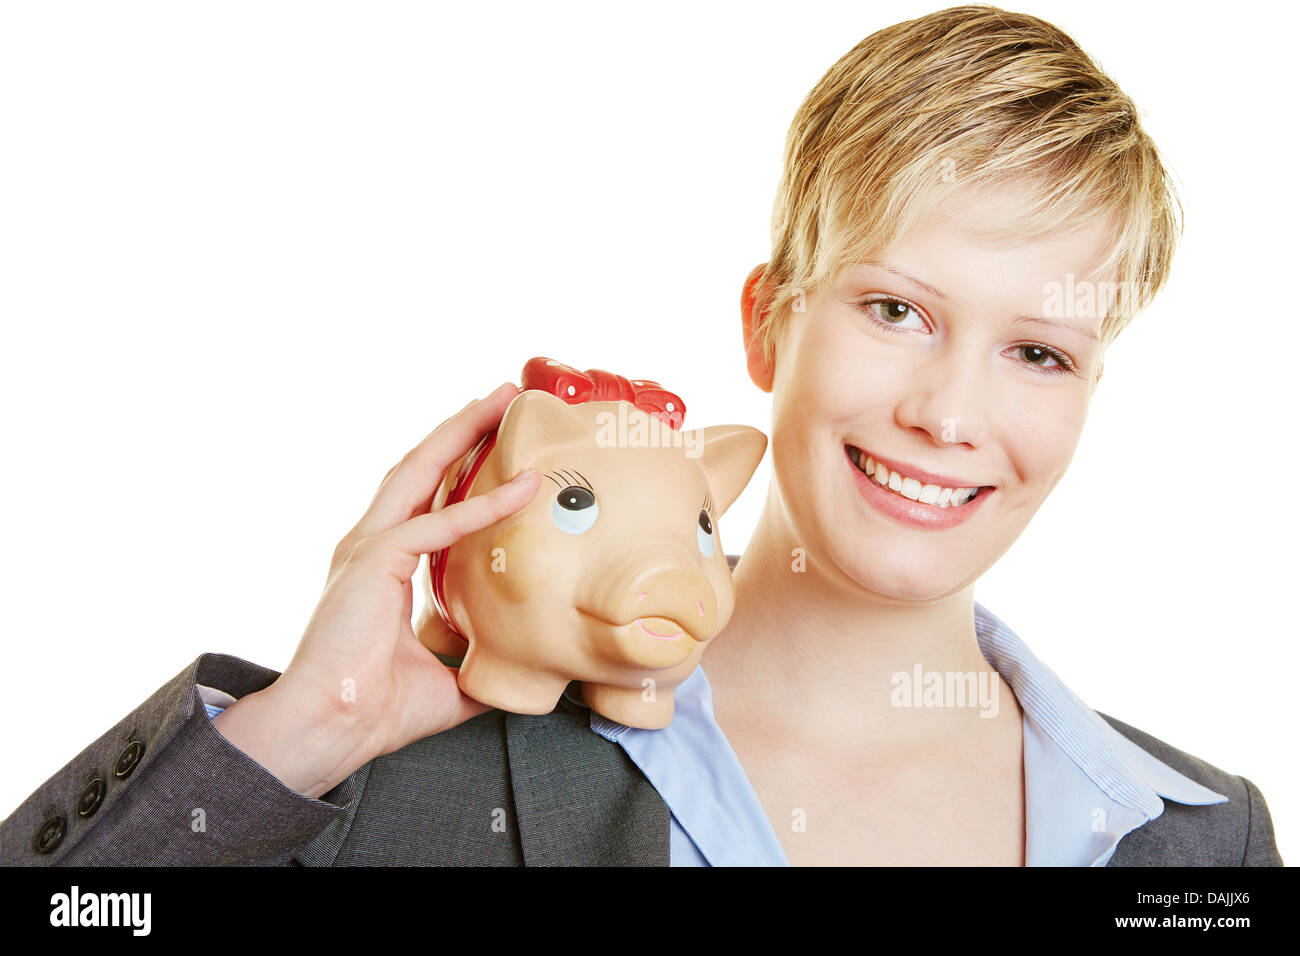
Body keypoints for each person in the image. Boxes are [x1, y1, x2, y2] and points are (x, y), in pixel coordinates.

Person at [1, 3, 1281, 866]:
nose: (949, 415)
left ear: (1090, 393)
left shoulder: (1201, 838)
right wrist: (306, 727)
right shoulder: (417, 775)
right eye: (895, 309)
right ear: (769, 324)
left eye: (1039, 351)